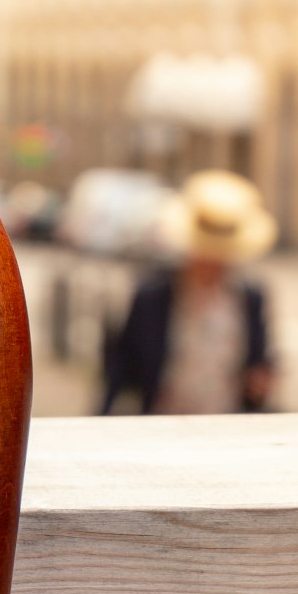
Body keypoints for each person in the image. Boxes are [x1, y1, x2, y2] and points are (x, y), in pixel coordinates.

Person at [100, 170, 277, 415]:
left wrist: (260, 380)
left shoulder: (249, 298)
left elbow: (258, 361)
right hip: (164, 421)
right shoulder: (153, 296)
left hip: (225, 421)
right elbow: (122, 365)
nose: (213, 262)